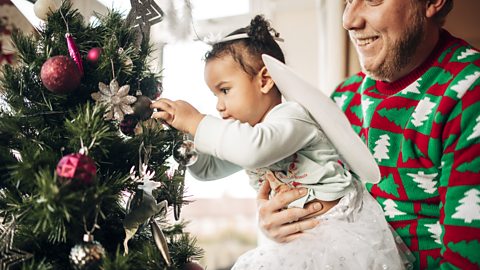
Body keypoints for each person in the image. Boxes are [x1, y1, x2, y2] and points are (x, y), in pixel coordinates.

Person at [152, 15, 409, 269]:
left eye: (225, 90)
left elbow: (253, 149)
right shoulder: (249, 136)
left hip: (340, 231)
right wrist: (184, 135)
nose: (219, 106)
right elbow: (208, 169)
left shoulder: (292, 118)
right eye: (215, 94)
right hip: (302, 239)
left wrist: (196, 121)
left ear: (264, 80)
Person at [256, 0, 480, 269]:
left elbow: (466, 262)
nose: (349, 20)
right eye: (349, 0)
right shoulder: (343, 98)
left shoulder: (469, 94)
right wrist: (279, 226)